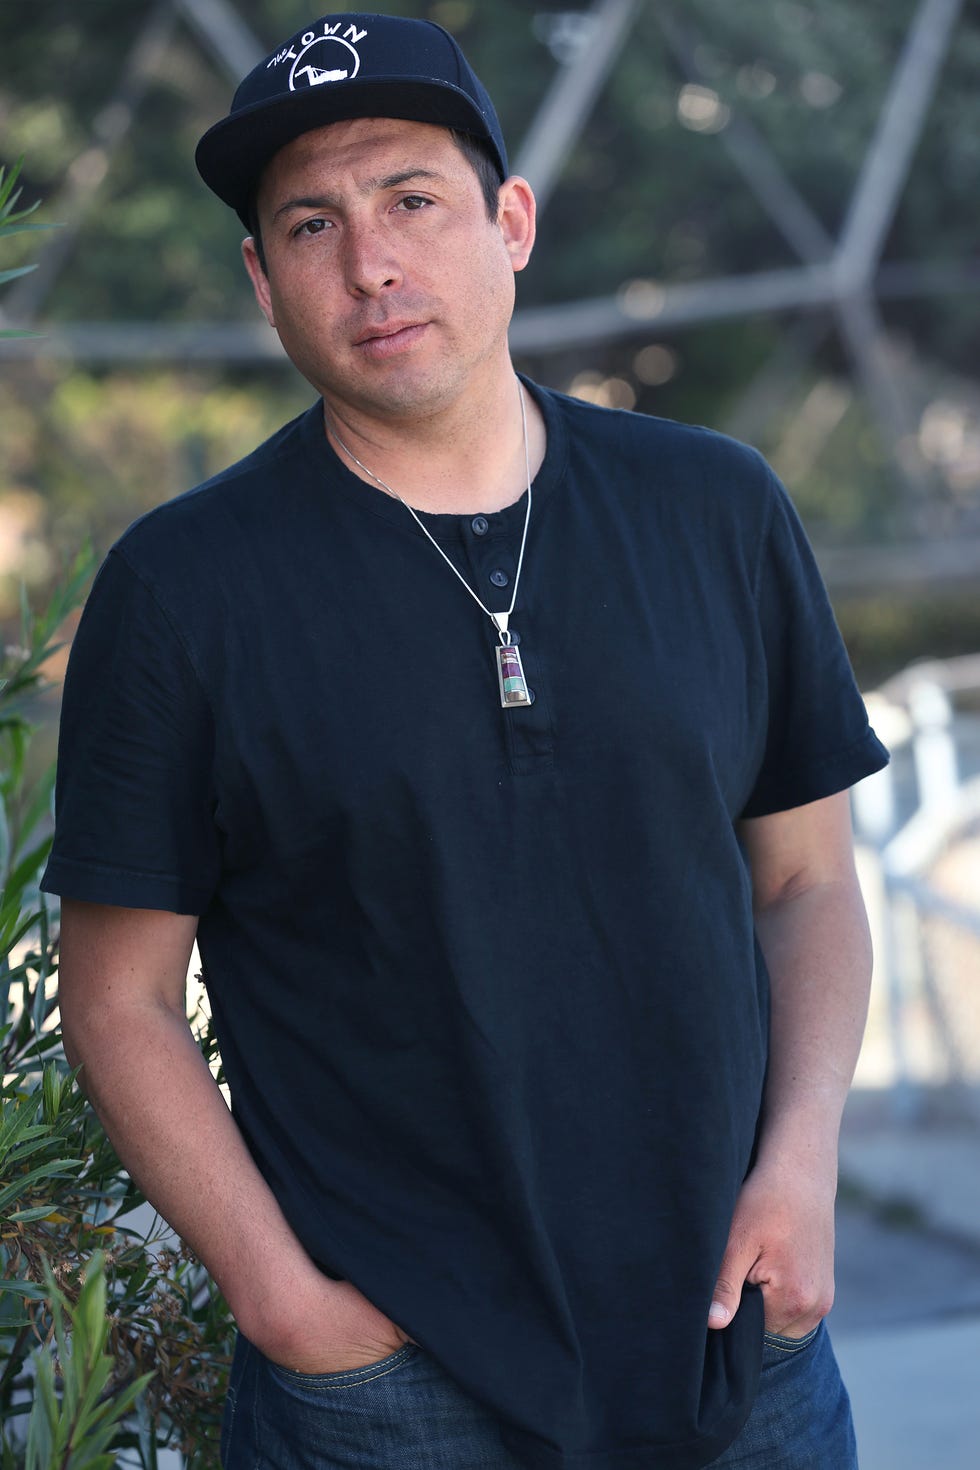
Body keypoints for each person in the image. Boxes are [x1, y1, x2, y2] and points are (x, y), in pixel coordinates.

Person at [43, 12, 889, 1469]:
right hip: (390, 1391)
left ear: (510, 221)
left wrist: (803, 1163)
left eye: (411, 200)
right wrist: (286, 1301)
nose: (369, 263)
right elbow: (118, 997)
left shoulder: (716, 508)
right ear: (263, 280)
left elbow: (808, 882)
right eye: (310, 224)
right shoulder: (185, 591)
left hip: (741, 1349)